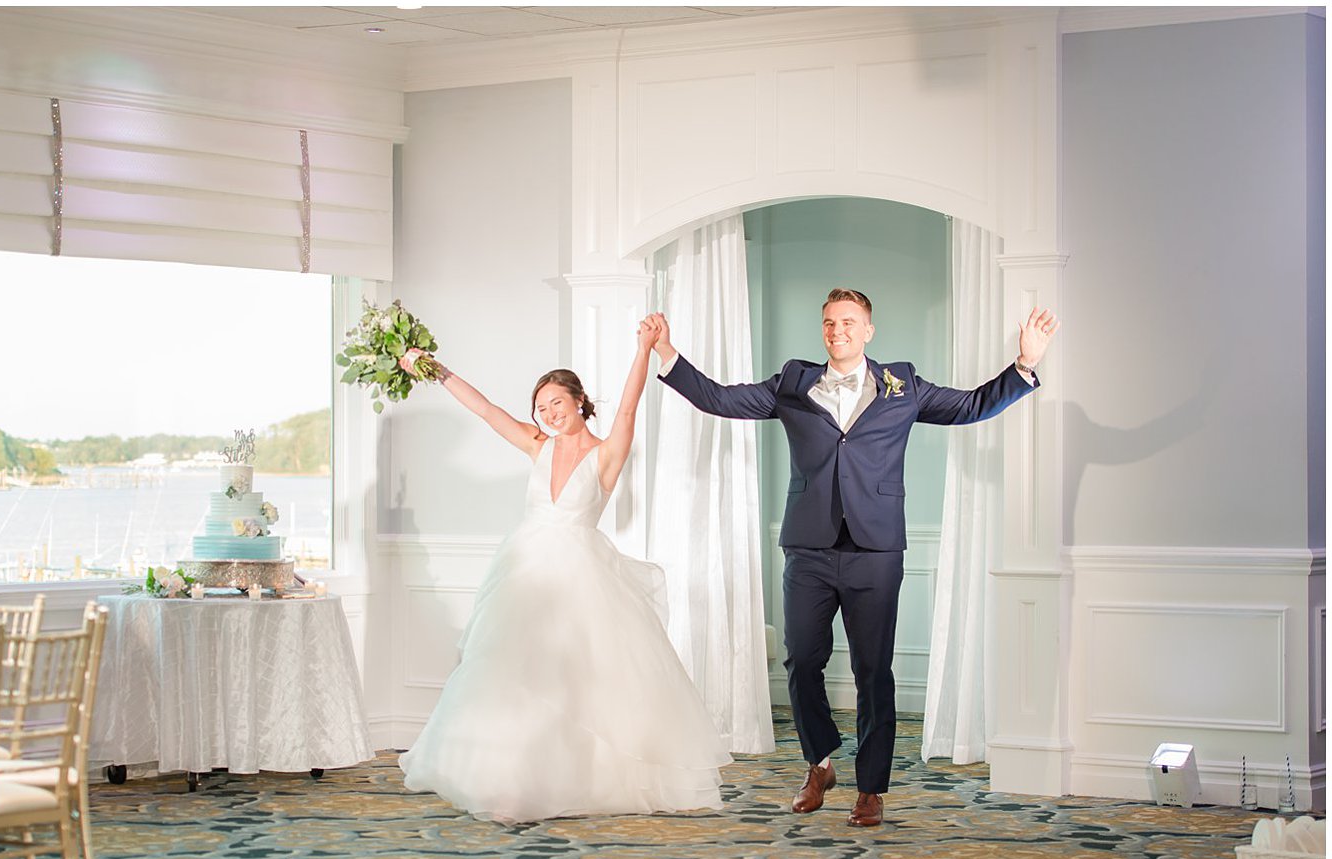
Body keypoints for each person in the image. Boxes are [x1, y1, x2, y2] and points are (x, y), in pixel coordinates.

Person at [651, 290, 1058, 827]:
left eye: (847, 322)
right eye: (828, 322)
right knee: (801, 662)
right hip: (809, 546)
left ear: (868, 330)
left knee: (873, 671)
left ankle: (870, 789)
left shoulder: (904, 384)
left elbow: (970, 406)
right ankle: (819, 764)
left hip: (876, 549)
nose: (836, 330)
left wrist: (1024, 363)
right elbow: (721, 398)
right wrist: (667, 354)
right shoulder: (792, 384)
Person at [395, 319, 732, 823]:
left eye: (557, 402)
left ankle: (574, 780)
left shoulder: (606, 454)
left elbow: (628, 407)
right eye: (541, 406)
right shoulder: (537, 444)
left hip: (581, 576)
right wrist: (431, 368)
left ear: (579, 401)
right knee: (511, 673)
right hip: (523, 571)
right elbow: (485, 409)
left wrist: (644, 349)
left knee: (575, 680)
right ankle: (508, 783)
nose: (548, 413)